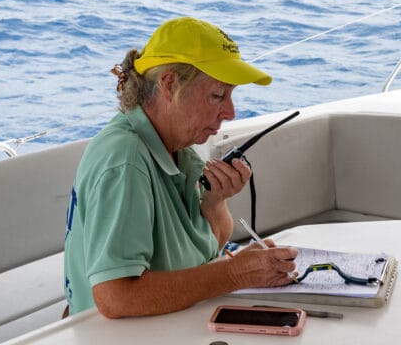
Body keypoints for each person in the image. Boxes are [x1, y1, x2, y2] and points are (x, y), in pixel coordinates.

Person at [63, 16, 299, 318]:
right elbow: (116, 296)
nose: (230, 111)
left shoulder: (179, 152)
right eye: (217, 95)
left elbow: (204, 251)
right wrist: (235, 274)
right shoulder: (125, 160)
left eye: (231, 95)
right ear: (170, 84)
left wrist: (214, 203)